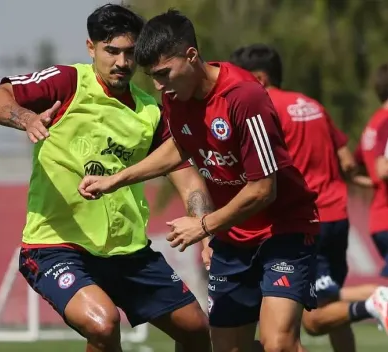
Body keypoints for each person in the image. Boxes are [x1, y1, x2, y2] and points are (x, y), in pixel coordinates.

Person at [79, 9, 321, 352]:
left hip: (283, 231)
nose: (158, 86)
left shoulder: (244, 97)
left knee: (278, 343)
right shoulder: (176, 98)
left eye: (164, 73)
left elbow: (264, 189)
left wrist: (204, 226)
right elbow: (179, 146)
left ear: (191, 56)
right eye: (151, 76)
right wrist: (117, 179)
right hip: (234, 238)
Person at [0, 4, 212, 352]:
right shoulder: (66, 82)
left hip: (128, 252)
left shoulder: (150, 111)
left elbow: (188, 178)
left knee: (197, 331)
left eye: (130, 53)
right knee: (103, 324)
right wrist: (27, 118)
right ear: (91, 48)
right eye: (111, 51)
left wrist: (204, 227)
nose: (121, 62)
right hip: (57, 247)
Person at [230, 44, 388, 351]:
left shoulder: (262, 108)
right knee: (331, 312)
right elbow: (347, 162)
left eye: (240, 79)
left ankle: (376, 296)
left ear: (259, 78)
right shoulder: (312, 104)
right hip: (337, 217)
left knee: (312, 320)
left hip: (302, 222)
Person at [356, 63, 388, 331]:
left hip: (379, 217)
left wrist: (373, 183)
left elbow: (353, 169)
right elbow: (382, 169)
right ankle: (380, 301)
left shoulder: (373, 122)